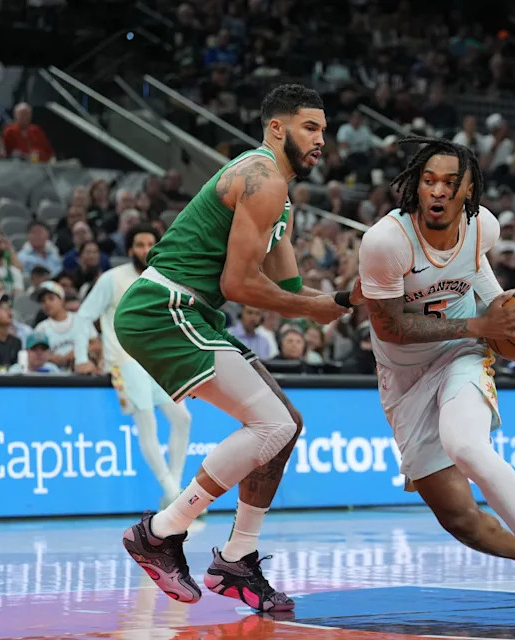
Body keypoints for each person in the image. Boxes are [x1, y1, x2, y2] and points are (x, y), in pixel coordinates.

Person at [113, 84, 352, 611]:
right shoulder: (261, 178)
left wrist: (348, 296)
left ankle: (237, 559)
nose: (321, 140)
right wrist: (316, 307)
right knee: (273, 425)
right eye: (310, 128)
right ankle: (160, 531)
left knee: (286, 426)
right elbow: (240, 284)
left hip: (193, 312)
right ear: (277, 128)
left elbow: (288, 289)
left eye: (324, 130)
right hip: (163, 308)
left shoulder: (279, 194)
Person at [356, 136, 515, 615]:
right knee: (459, 518)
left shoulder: (485, 227)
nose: (437, 191)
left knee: (464, 443)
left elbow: (473, 266)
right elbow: (390, 327)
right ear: (417, 186)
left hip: (461, 354)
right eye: (428, 180)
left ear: (468, 190)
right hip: (402, 376)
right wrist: (483, 324)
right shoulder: (385, 241)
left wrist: (511, 323)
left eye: (449, 182)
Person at [74, 224, 193, 508]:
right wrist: (81, 358)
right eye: (139, 244)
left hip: (157, 362)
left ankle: (173, 489)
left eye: (150, 244)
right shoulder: (112, 279)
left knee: (183, 419)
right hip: (124, 362)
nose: (145, 250)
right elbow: (83, 316)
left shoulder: (164, 280)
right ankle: (173, 493)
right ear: (129, 249)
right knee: (148, 423)